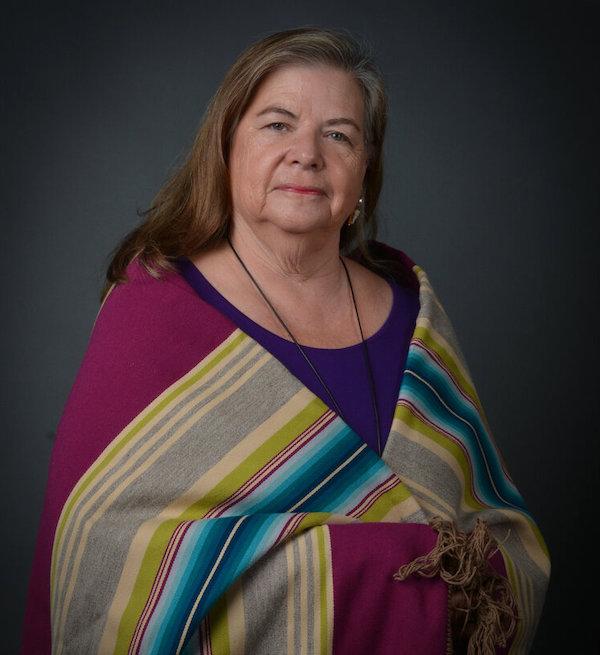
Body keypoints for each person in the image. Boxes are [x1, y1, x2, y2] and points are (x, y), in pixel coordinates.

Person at [21, 27, 549, 654]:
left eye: (338, 135)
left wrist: (458, 579)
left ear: (364, 172)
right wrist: (385, 567)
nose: (307, 153)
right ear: (226, 147)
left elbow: (496, 532)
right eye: (277, 125)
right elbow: (108, 558)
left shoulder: (413, 309)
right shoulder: (154, 311)